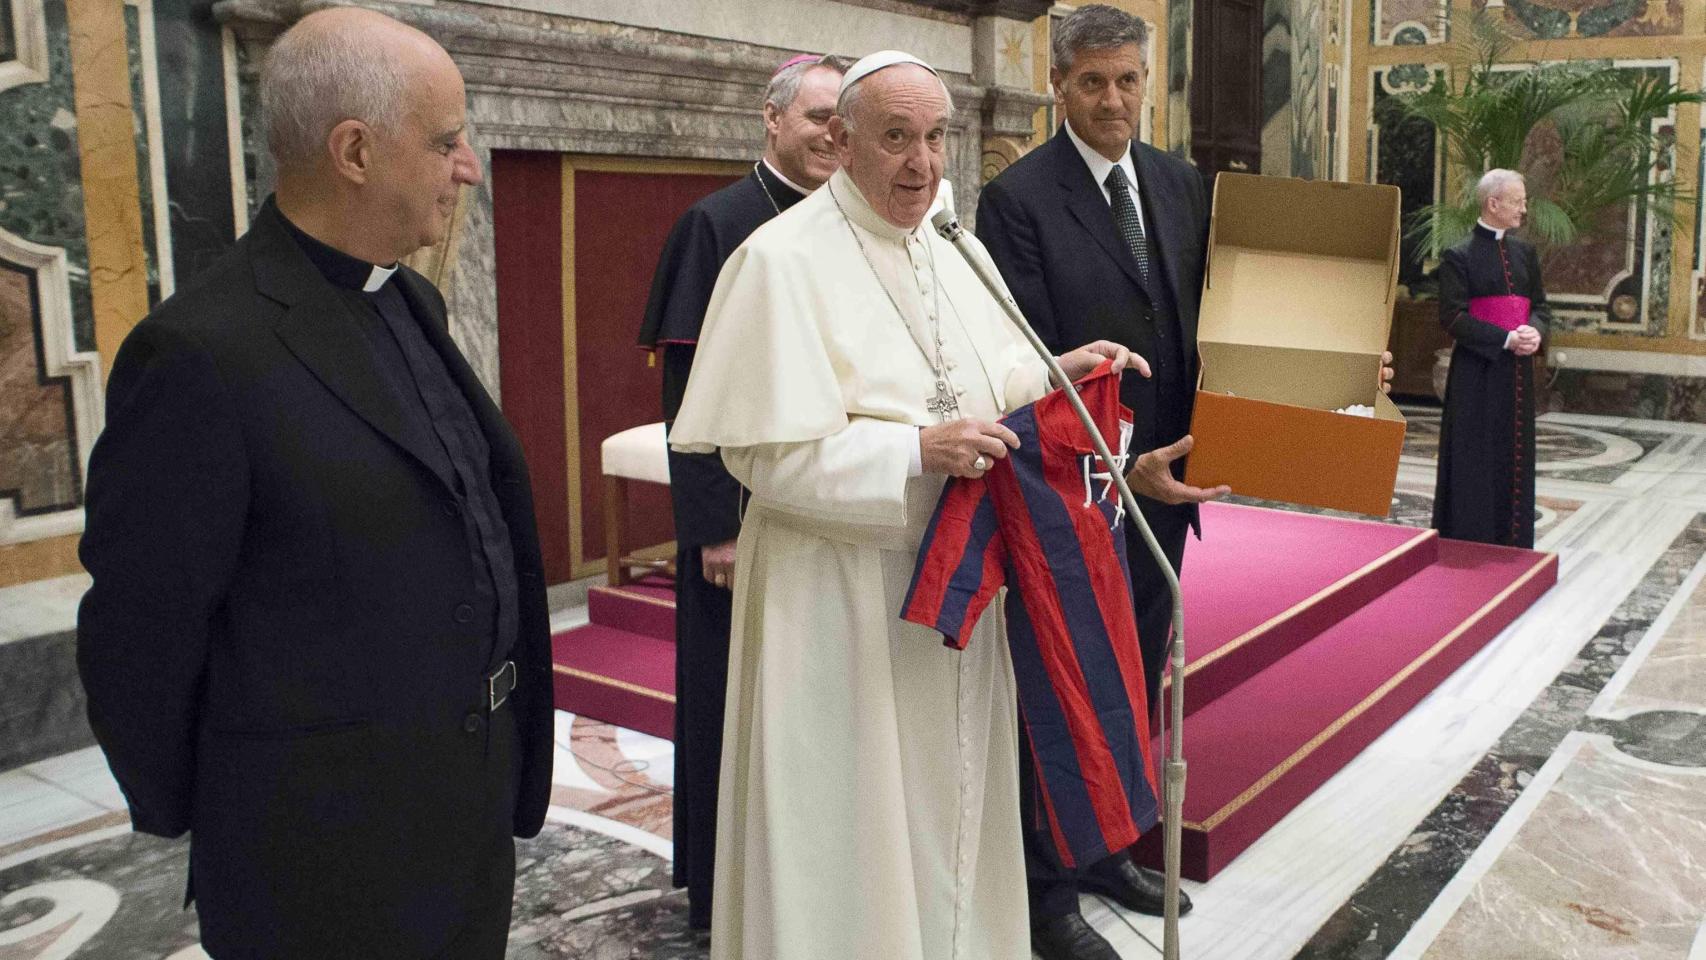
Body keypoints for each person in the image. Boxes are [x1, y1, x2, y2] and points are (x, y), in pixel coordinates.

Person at [75, 10, 553, 958]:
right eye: (448, 141)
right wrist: (217, 814)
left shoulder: (411, 297)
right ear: (355, 151)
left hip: (463, 813)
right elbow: (140, 631)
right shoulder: (200, 352)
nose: (466, 168)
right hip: (317, 851)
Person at [668, 50, 1139, 960]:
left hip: (958, 592)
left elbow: (982, 372)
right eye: (896, 138)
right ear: (841, 142)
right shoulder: (779, 261)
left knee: (951, 808)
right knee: (855, 827)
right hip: (840, 600)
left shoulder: (950, 246)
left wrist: (1053, 374)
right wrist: (911, 451)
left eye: (935, 138)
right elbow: (762, 454)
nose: (922, 163)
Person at [974, 8, 1210, 957]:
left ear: (1146, 79)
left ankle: (1112, 845)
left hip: (1170, 486)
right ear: (1060, 89)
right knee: (1062, 687)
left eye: (1126, 81)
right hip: (1077, 493)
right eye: (1091, 85)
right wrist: (1119, 465)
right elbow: (1029, 362)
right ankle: (1046, 890)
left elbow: (1208, 325)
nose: (1112, 101)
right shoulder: (1018, 200)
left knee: (1136, 669)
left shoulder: (1182, 183)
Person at [636, 51, 848, 932]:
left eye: (845, 119)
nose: (831, 134)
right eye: (815, 117)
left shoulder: (851, 220)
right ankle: (724, 891)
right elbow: (686, 394)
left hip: (826, 510)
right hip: (741, 521)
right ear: (771, 120)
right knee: (731, 703)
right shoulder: (716, 225)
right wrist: (714, 528)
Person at [1433, 168, 1547, 548]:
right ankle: (1469, 542)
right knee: (1475, 456)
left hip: (1517, 377)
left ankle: (1513, 542)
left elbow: (1542, 307)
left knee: (1512, 457)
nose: (1523, 210)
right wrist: (1505, 339)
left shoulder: (1525, 253)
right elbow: (1452, 316)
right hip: (1476, 375)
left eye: (1524, 202)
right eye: (1517, 202)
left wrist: (1535, 331)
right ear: (1493, 203)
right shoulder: (1458, 255)